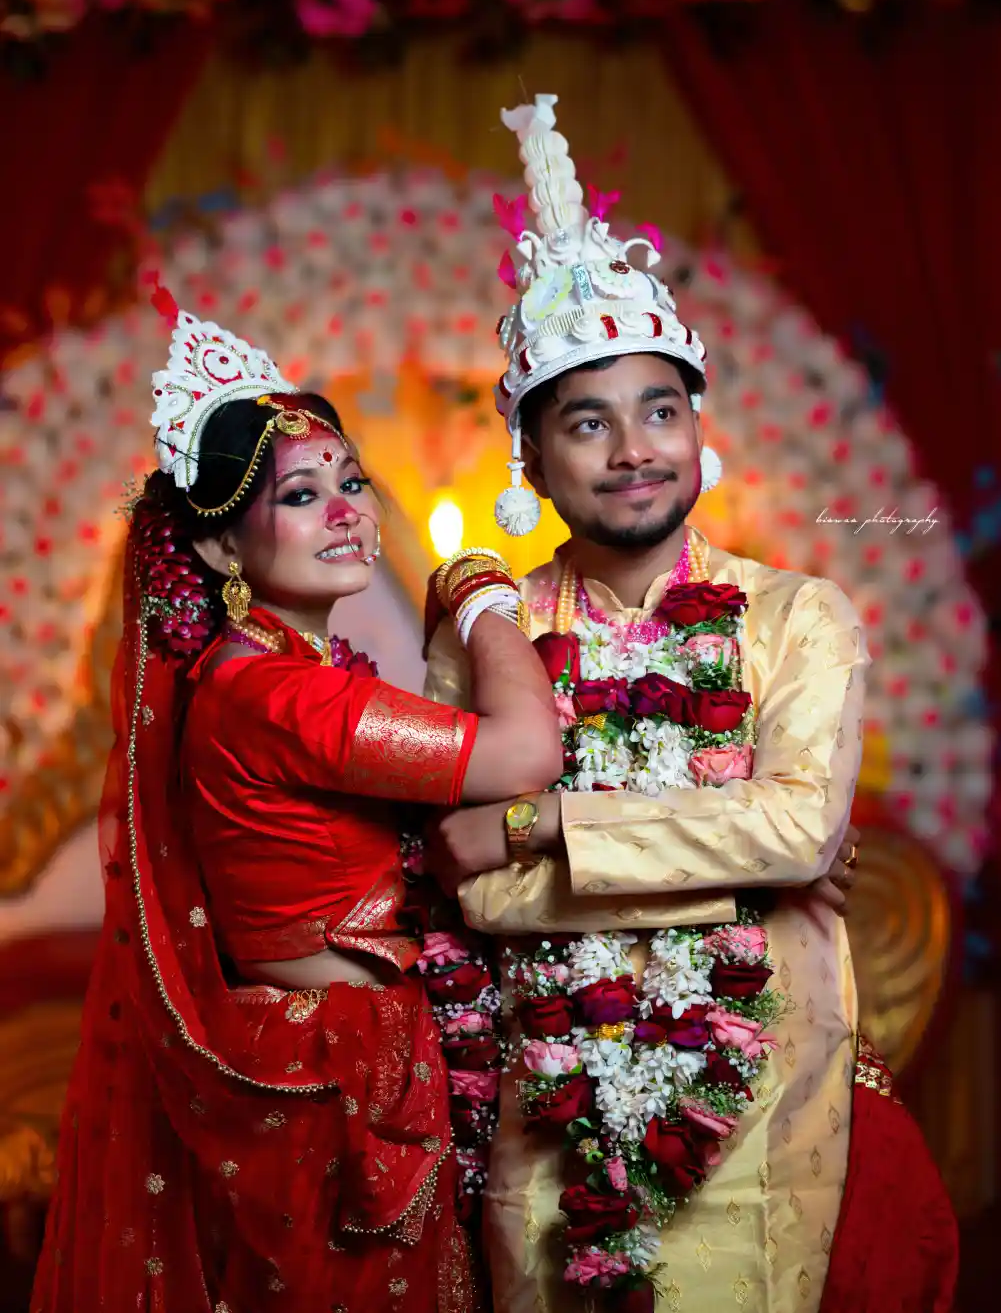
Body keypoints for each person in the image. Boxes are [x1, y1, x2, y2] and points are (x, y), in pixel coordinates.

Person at [424, 96, 957, 1313]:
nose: (632, 450)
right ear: (534, 459)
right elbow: (477, 887)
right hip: (553, 1120)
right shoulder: (492, 639)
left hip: (763, 1111)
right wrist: (743, 862)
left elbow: (794, 830)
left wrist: (548, 821)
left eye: (659, 411)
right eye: (588, 421)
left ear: (698, 430)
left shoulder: (795, 616)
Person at [31, 294, 563, 1313]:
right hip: (334, 1071)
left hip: (331, 1049)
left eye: (352, 482)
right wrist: (481, 591)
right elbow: (524, 750)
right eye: (302, 496)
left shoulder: (257, 676)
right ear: (225, 549)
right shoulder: (279, 694)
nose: (348, 510)